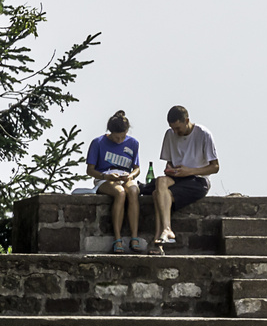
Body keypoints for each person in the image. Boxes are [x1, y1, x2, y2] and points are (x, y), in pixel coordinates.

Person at [150, 104, 219, 245]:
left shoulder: (203, 134)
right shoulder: (170, 134)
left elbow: (215, 167)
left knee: (158, 194)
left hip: (197, 180)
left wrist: (190, 171)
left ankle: (158, 237)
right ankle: (167, 229)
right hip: (176, 177)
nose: (175, 132)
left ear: (187, 121)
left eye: (178, 128)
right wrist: (170, 169)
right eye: (173, 128)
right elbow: (169, 161)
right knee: (160, 181)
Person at [86, 110, 147, 253]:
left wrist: (131, 176)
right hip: (105, 177)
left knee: (133, 191)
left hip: (126, 176)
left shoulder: (133, 143)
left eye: (122, 137)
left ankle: (134, 237)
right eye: (116, 138)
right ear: (110, 132)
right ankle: (117, 239)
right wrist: (106, 176)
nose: (119, 140)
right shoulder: (98, 143)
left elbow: (137, 168)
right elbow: (90, 170)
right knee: (120, 193)